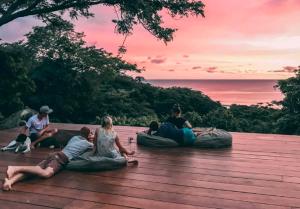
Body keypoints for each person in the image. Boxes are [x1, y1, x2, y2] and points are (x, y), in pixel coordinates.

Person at [2, 127, 94, 191]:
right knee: (46, 173)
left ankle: (10, 181)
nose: (92, 135)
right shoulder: (89, 144)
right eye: (91, 133)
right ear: (88, 136)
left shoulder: (75, 138)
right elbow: (97, 147)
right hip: (61, 158)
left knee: (34, 171)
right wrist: (94, 139)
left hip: (54, 155)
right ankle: (14, 168)